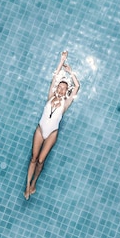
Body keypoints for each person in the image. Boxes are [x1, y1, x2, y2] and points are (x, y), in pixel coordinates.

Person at [24, 51, 80, 200]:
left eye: (63, 88)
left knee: (41, 161)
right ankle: (28, 186)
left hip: (52, 133)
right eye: (59, 87)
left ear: (65, 92)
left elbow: (77, 87)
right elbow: (55, 77)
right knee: (33, 158)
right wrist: (62, 60)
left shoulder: (64, 104)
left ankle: (35, 182)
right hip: (40, 130)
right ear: (56, 89)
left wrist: (70, 72)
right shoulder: (50, 97)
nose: (61, 89)